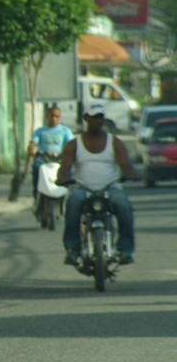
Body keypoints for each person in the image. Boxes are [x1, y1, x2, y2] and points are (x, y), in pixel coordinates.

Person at [57, 102, 139, 266]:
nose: (98, 121)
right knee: (72, 203)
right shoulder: (74, 144)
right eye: (94, 117)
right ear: (86, 118)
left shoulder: (114, 142)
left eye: (100, 117)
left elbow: (125, 164)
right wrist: (62, 178)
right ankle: (73, 249)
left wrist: (132, 174)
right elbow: (65, 166)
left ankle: (125, 250)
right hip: (83, 189)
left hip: (111, 189)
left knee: (124, 205)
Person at [28, 106, 74, 201]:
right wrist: (31, 148)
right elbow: (34, 142)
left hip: (60, 158)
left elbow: (71, 143)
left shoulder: (65, 131)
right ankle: (36, 195)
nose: (54, 118)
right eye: (51, 116)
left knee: (70, 171)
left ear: (60, 118)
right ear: (47, 116)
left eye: (56, 116)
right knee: (36, 169)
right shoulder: (40, 131)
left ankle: (68, 195)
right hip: (43, 158)